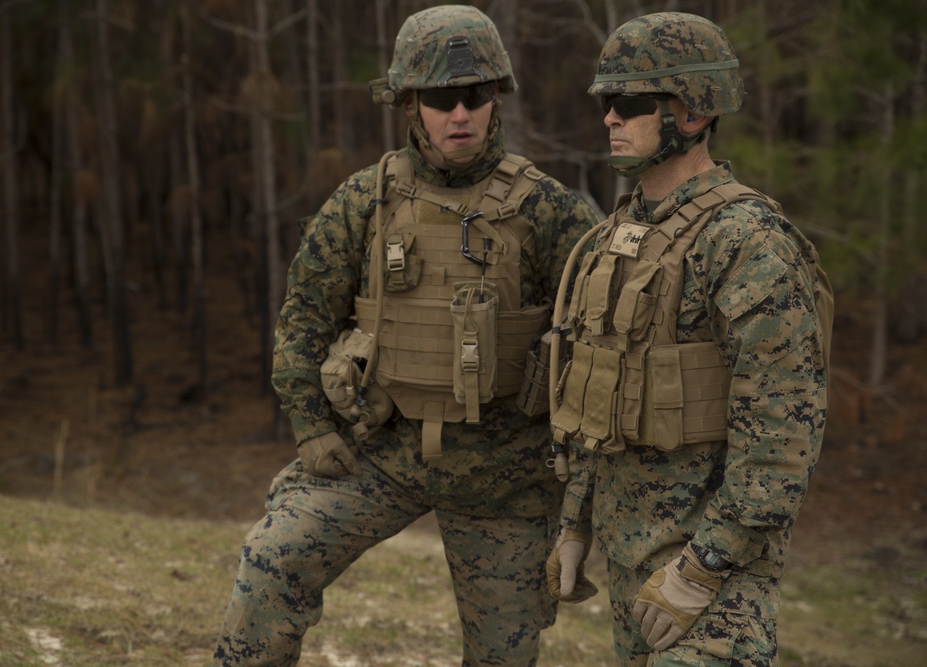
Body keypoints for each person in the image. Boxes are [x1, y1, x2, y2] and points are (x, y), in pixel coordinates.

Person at [213, 5, 599, 666]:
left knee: (505, 656)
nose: (460, 114)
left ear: (495, 101)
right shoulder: (364, 202)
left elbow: (599, 351)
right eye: (442, 98)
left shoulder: (549, 211)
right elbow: (303, 319)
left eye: (475, 96)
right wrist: (312, 426)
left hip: (505, 473)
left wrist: (581, 491)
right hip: (380, 450)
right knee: (271, 559)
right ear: (409, 104)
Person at [544, 11, 832, 667]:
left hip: (711, 585)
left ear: (694, 114)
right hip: (629, 568)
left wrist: (703, 565)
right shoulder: (621, 234)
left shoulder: (746, 239)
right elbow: (601, 391)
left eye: (630, 102)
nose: (610, 118)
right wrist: (576, 523)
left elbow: (784, 431)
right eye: (606, 103)